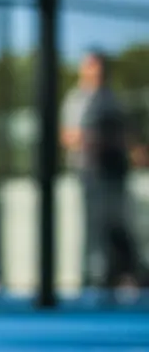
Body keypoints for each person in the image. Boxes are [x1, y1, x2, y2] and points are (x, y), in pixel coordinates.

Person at [61, 48, 148, 304]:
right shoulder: (77, 100)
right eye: (91, 68)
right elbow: (69, 137)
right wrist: (98, 140)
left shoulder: (112, 98)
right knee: (95, 226)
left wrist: (134, 148)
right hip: (90, 171)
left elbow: (127, 133)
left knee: (119, 222)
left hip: (115, 171)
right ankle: (96, 278)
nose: (97, 74)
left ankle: (127, 275)